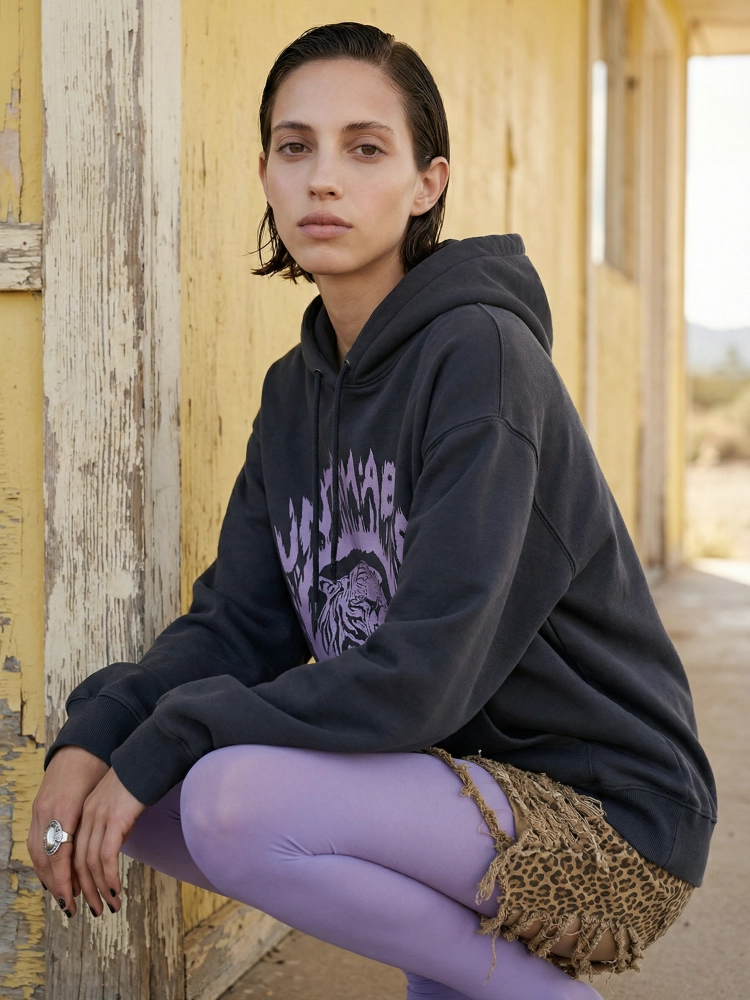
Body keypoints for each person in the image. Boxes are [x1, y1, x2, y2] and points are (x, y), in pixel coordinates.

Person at [28, 22, 716, 1000]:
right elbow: (238, 627)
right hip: (443, 787)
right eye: (294, 147)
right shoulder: (293, 394)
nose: (322, 179)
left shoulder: (483, 357)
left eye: (364, 148)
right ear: (265, 174)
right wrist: (95, 734)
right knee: (135, 794)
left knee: (224, 796)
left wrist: (174, 733)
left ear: (427, 184)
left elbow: (422, 675)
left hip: (609, 821)